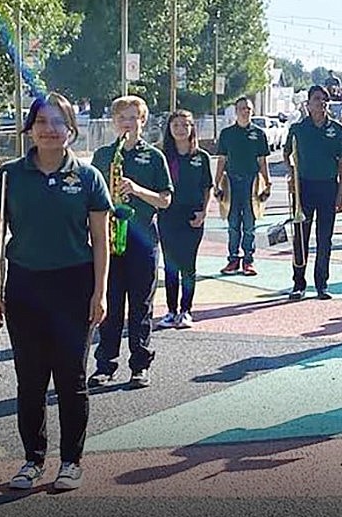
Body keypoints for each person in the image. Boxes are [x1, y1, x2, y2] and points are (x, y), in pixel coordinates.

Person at [0, 92, 110, 492]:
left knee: (71, 378)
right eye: (42, 121)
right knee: (31, 379)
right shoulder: (8, 177)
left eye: (58, 122)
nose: (50, 129)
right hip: (24, 285)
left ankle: (71, 461)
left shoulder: (88, 177)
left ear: (70, 130)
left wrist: (100, 292)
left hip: (74, 285)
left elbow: (101, 241)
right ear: (30, 128)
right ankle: (32, 460)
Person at [89, 95, 172, 389]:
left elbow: (165, 200)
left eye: (132, 117)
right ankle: (105, 365)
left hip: (142, 240)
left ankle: (140, 365)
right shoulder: (102, 156)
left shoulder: (154, 156)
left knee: (141, 305)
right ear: (114, 122)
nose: (127, 123)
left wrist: (137, 190)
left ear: (143, 120)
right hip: (109, 241)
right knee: (109, 305)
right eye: (121, 118)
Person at [284, 85, 342, 300]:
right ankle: (298, 283)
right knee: (300, 238)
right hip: (304, 187)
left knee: (324, 238)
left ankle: (321, 284)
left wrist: (341, 194)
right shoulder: (298, 129)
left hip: (328, 186)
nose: (320, 103)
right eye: (316, 99)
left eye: (324, 99)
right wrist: (292, 176)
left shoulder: (338, 130)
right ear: (308, 103)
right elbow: (287, 155)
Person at [156, 110, 213, 329]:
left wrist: (204, 212)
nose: (180, 129)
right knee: (170, 264)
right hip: (168, 214)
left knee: (188, 264)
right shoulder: (162, 156)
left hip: (193, 215)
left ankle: (186, 310)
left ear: (192, 128)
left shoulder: (201, 157)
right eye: (176, 125)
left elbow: (207, 188)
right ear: (169, 129)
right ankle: (170, 311)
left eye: (185, 125)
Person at [214, 96, 271, 276]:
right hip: (231, 182)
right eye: (241, 108)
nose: (245, 111)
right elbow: (222, 160)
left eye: (248, 108)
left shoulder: (259, 134)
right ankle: (233, 259)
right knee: (232, 223)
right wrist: (216, 184)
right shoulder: (227, 134)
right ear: (236, 111)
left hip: (252, 182)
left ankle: (248, 260)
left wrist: (267, 183)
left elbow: (262, 161)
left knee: (249, 223)